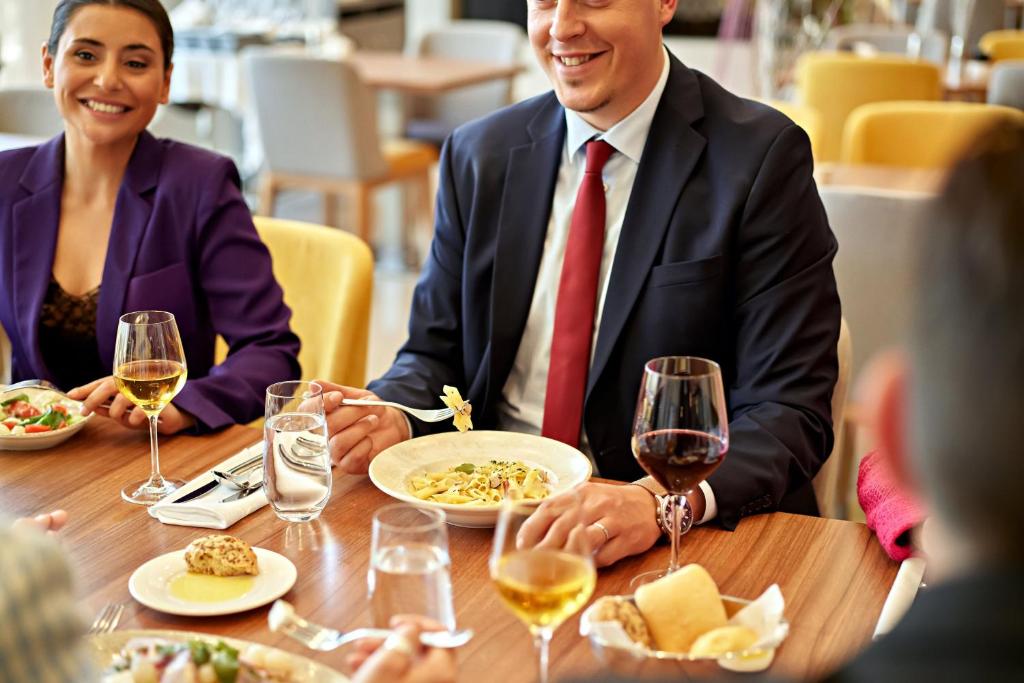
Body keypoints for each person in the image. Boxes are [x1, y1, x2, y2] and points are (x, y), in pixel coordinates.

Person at [319, 0, 840, 566]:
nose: (562, 27)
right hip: (493, 521)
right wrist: (392, 413)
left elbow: (788, 411)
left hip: (672, 537)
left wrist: (659, 502)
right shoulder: (479, 154)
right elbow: (433, 354)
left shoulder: (760, 159)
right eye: (544, 1)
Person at [0, 0, 300, 435]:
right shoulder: (6, 183)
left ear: (165, 83)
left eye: (135, 63)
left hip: (157, 452)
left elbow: (269, 350)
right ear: (48, 65)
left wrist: (186, 405)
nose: (108, 79)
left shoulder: (200, 186)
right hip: (36, 455)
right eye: (85, 55)